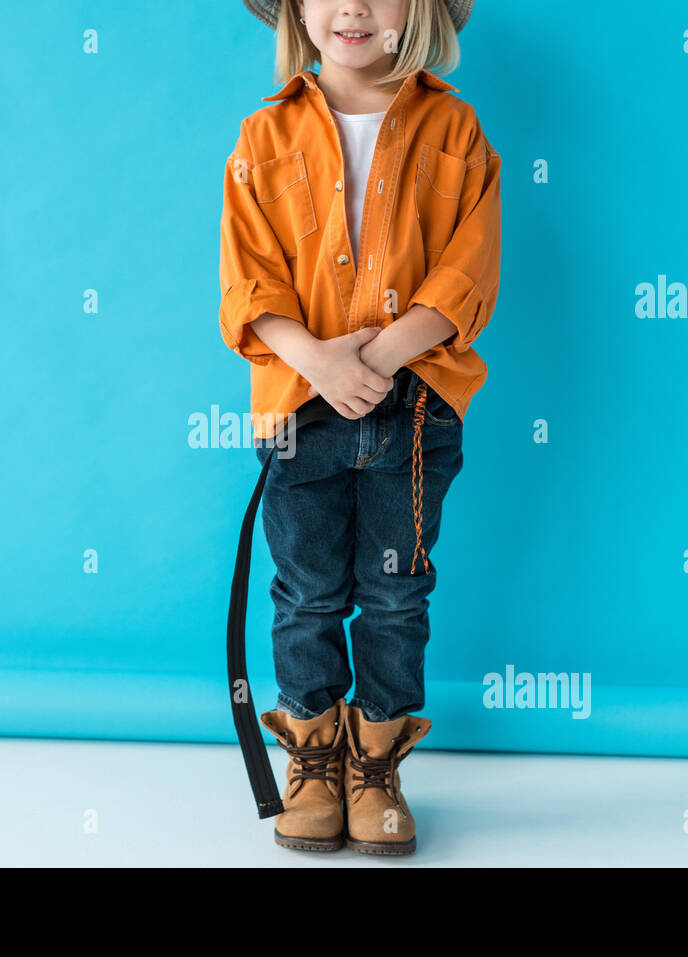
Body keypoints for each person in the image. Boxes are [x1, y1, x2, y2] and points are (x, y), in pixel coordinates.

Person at [220, 0, 500, 854]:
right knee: (305, 590)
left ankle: (377, 764)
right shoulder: (263, 138)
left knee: (395, 590)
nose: (352, 7)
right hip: (302, 408)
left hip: (414, 407)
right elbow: (249, 282)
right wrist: (321, 362)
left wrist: (378, 357)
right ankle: (311, 757)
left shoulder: (455, 129)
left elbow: (468, 267)